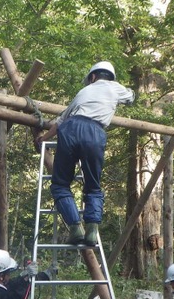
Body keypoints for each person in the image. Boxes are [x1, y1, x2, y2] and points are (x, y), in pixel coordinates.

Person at [33, 61, 135, 246]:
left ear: (93, 77)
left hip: (70, 129)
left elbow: (61, 120)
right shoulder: (115, 87)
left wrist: (43, 138)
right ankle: (92, 232)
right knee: (93, 186)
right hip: (95, 133)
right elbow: (131, 98)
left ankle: (75, 228)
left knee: (60, 184)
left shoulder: (82, 92)